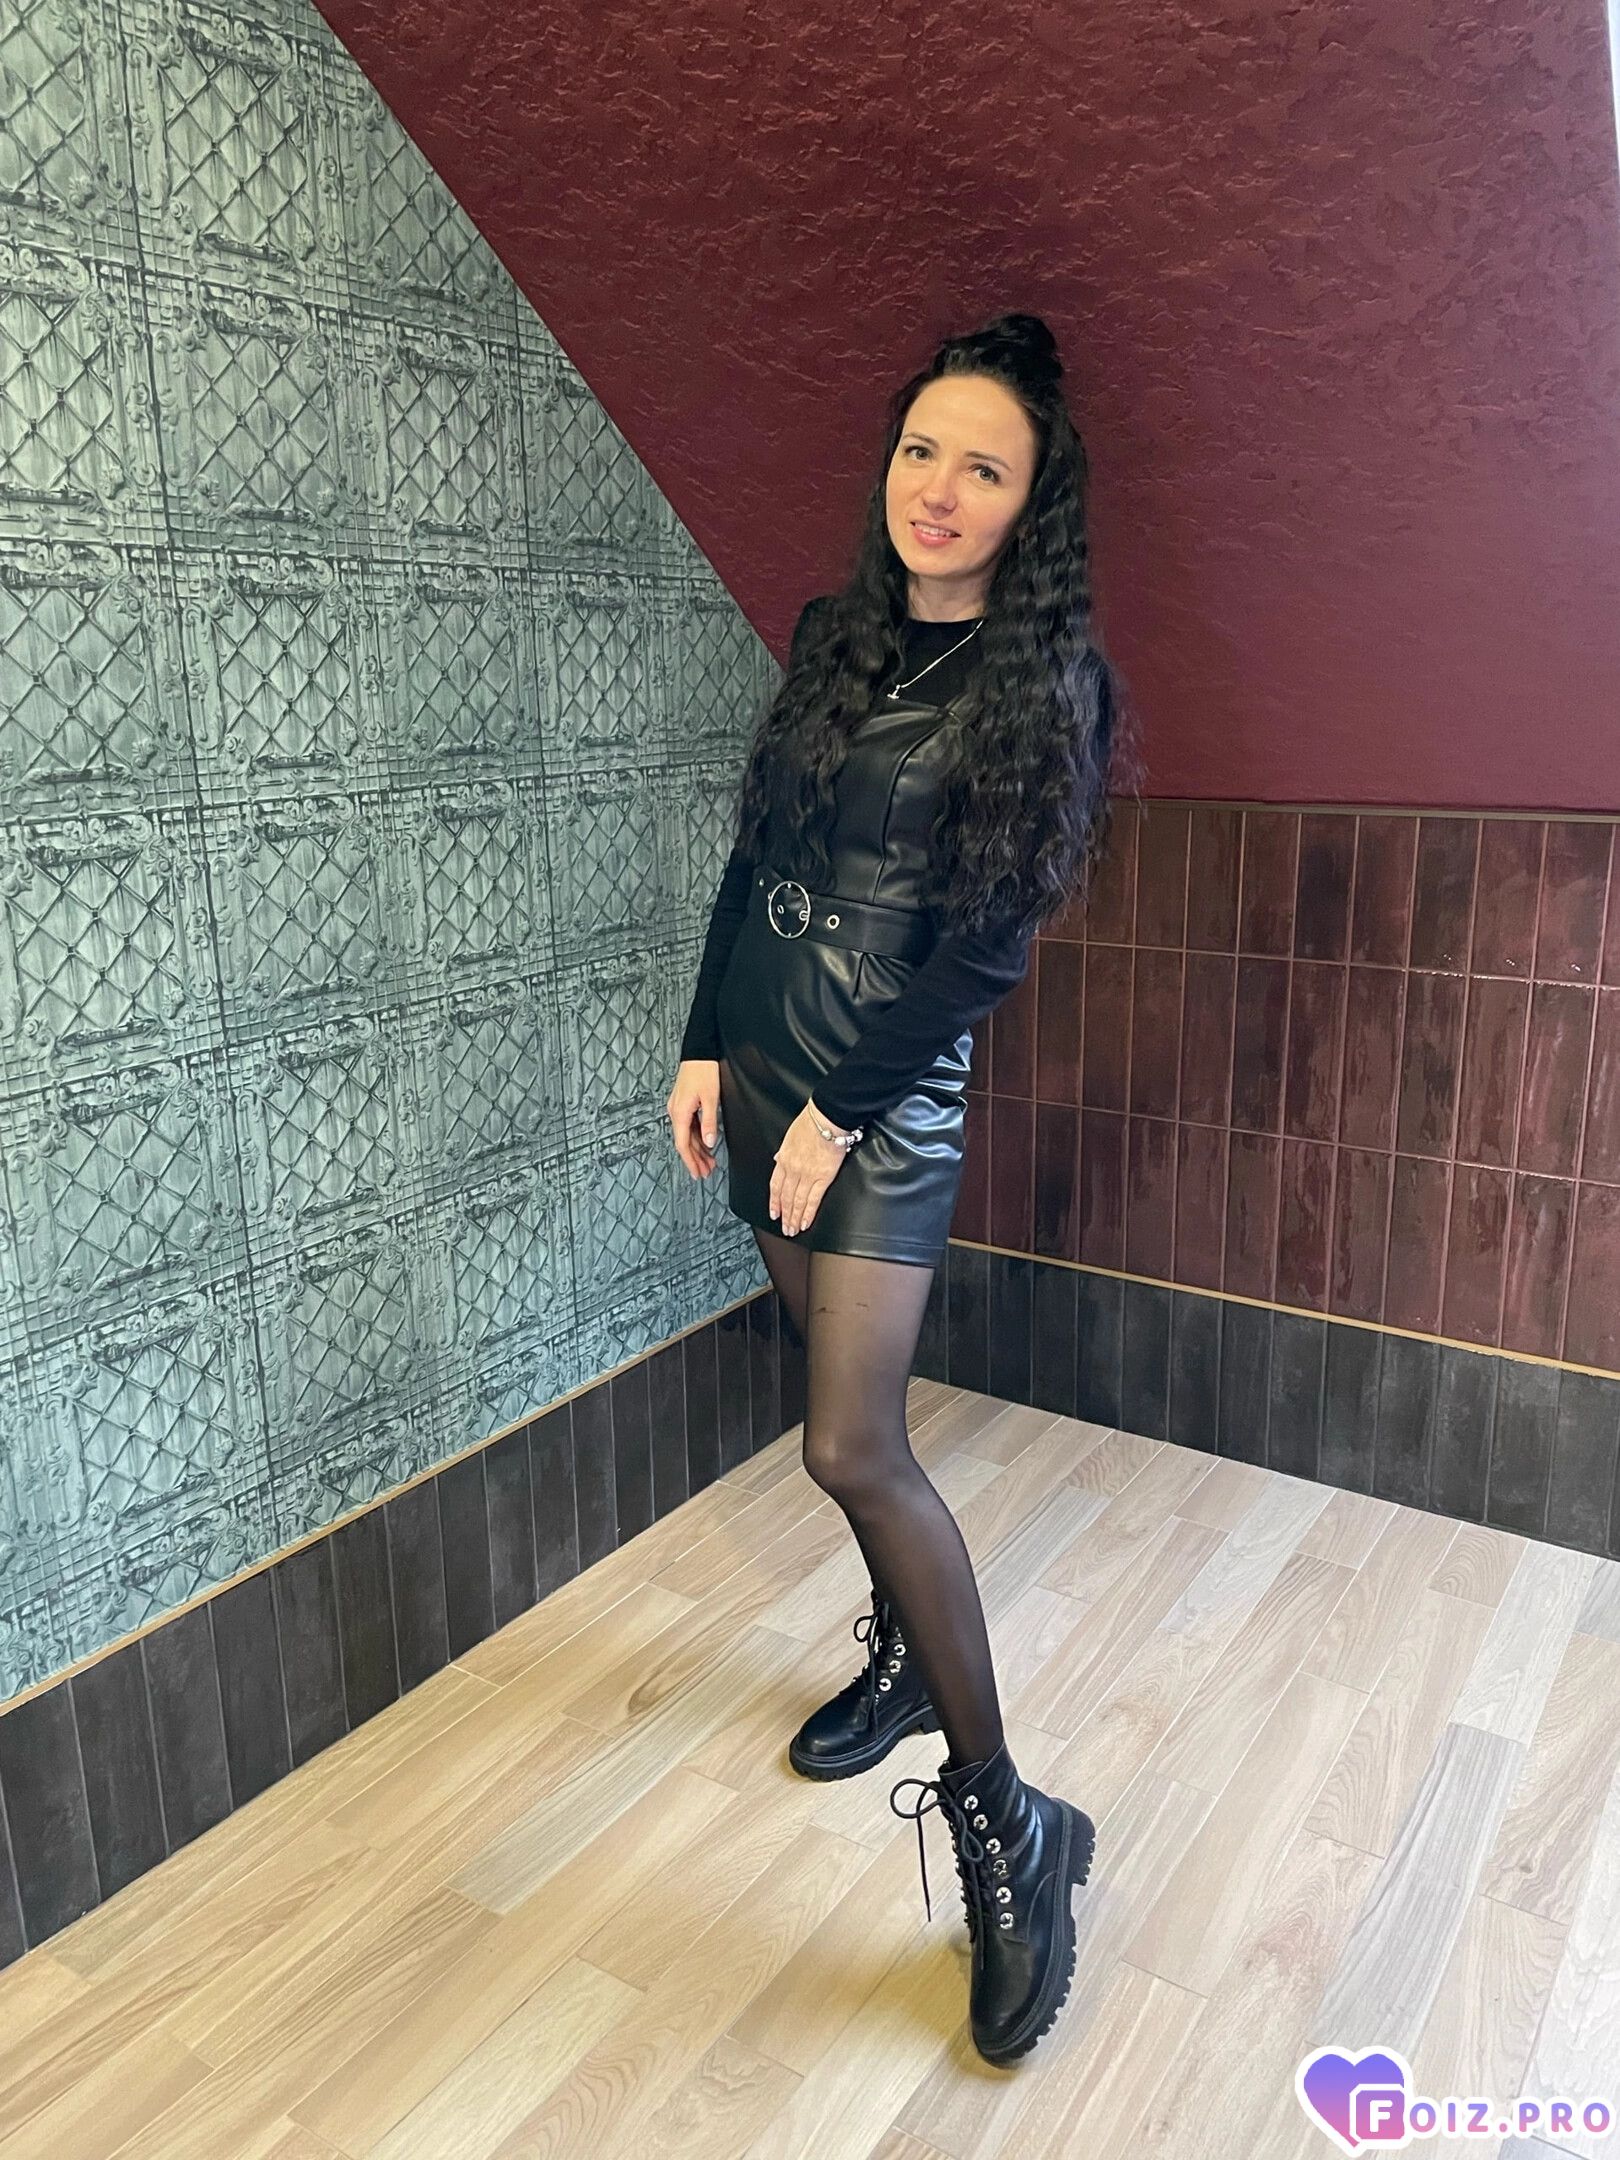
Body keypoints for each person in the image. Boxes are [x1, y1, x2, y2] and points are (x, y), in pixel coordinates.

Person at [665, 311, 1131, 2065]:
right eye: (921, 450)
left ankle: (1014, 1823)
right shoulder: (833, 631)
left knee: (852, 1444)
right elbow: (759, 848)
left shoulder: (1043, 681)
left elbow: (989, 946)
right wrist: (705, 1040)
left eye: (982, 468)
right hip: (763, 1053)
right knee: (829, 1402)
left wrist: (841, 1112)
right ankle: (899, 1653)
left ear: (1031, 505)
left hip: (880, 1091)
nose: (938, 488)